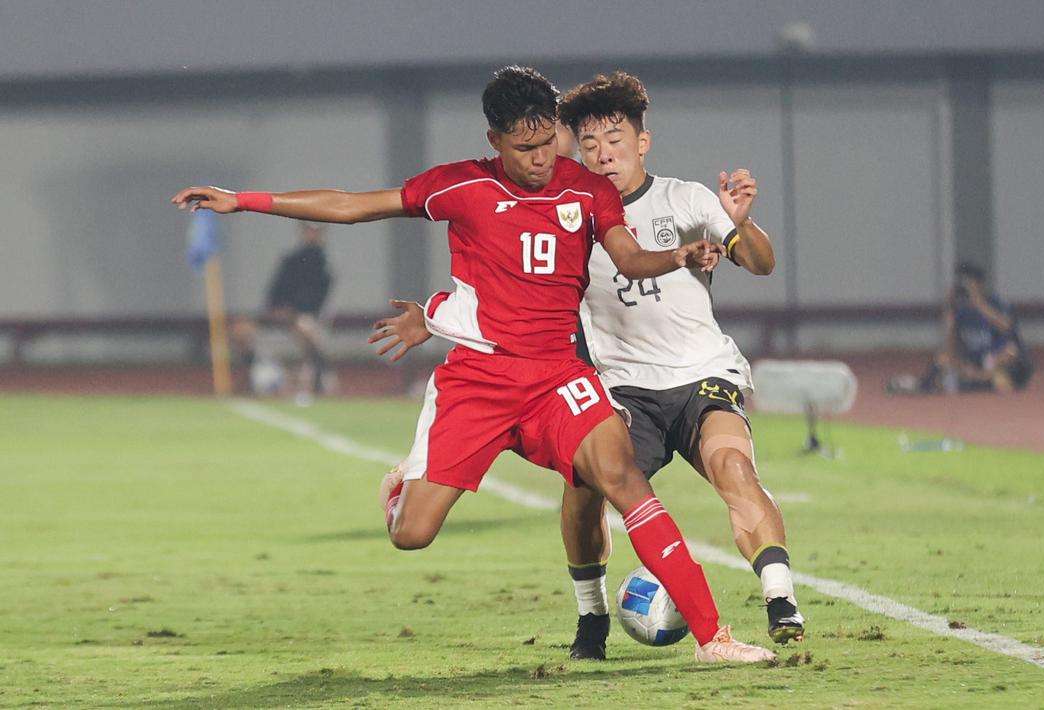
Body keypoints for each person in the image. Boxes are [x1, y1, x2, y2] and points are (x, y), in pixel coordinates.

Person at [173, 65, 773, 664]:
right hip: (478, 381)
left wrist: (677, 256)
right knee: (413, 535)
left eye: (548, 143)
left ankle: (714, 639)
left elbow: (629, 258)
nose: (541, 158)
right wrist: (244, 202)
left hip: (557, 377)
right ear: (495, 142)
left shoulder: (588, 191)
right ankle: (399, 491)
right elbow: (354, 204)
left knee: (625, 483)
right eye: (525, 148)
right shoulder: (459, 187)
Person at [370, 71, 804, 659]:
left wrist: (740, 222)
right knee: (583, 492)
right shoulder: (569, 201)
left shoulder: (688, 199)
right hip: (621, 383)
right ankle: (592, 619)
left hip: (699, 373)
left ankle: (778, 603)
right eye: (591, 143)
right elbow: (507, 283)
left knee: (733, 467)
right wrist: (435, 314)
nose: (603, 154)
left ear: (642, 142)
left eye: (616, 141)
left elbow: (759, 264)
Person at [886, 261, 1033, 395]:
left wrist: (978, 303)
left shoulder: (995, 303)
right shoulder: (960, 309)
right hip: (974, 362)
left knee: (1009, 353)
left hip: (996, 360)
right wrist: (949, 310)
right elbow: (950, 347)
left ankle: (978, 380)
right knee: (943, 358)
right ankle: (969, 382)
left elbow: (1007, 327)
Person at [231, 221, 334, 399]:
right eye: (309, 231)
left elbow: (317, 301)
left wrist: (295, 312)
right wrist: (276, 309)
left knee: (305, 326)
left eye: (316, 232)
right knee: (240, 329)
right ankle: (250, 374)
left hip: (305, 318)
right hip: (280, 316)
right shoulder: (290, 261)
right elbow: (274, 292)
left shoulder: (325, 266)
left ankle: (318, 376)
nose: (312, 235)